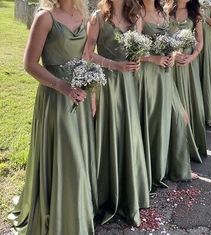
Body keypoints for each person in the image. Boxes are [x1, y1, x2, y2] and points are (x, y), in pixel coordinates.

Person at [8, 0, 98, 234]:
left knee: (77, 155)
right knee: (66, 155)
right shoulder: (45, 17)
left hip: (79, 95)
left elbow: (86, 57)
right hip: (55, 97)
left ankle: (75, 212)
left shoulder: (83, 15)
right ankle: (59, 217)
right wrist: (62, 86)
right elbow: (29, 64)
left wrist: (92, 93)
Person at [83, 0, 150, 226]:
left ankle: (128, 189)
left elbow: (138, 52)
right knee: (107, 133)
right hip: (106, 85)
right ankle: (104, 193)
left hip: (129, 85)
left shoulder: (136, 16)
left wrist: (136, 61)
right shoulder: (97, 17)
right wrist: (114, 65)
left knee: (127, 134)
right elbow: (87, 53)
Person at [137, 0, 201, 187]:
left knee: (180, 117)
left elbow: (170, 43)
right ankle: (152, 169)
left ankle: (175, 166)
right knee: (153, 119)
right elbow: (130, 51)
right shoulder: (137, 14)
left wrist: (173, 55)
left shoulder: (163, 13)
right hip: (147, 75)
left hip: (165, 74)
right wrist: (152, 58)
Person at [167, 0, 207, 157]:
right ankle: (174, 144)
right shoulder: (166, 11)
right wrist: (173, 53)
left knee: (188, 100)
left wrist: (192, 57)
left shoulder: (196, 14)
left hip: (188, 64)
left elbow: (200, 41)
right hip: (171, 63)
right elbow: (162, 35)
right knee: (173, 103)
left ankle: (190, 144)